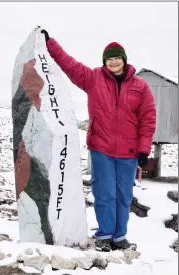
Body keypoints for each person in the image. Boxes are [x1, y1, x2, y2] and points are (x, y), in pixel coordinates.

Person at [40, 29, 156, 252]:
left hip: (129, 152)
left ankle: (119, 236)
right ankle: (104, 235)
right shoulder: (93, 78)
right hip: (101, 148)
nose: (113, 62)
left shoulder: (140, 87)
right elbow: (70, 65)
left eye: (117, 58)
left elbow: (148, 119)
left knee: (123, 196)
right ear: (105, 62)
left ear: (124, 59)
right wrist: (51, 44)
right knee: (104, 193)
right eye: (109, 59)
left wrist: (143, 150)